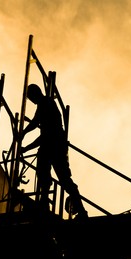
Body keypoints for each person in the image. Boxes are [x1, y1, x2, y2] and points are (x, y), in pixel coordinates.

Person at [21, 84, 88, 219]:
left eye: (30, 97)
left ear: (35, 94)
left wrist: (25, 140)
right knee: (44, 173)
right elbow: (37, 124)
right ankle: (45, 202)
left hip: (54, 146)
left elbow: (42, 132)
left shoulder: (46, 104)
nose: (31, 100)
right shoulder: (45, 104)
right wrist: (24, 134)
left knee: (62, 179)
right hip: (52, 145)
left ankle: (80, 211)